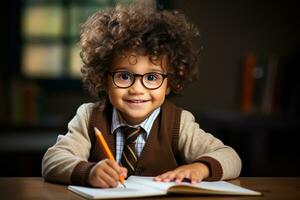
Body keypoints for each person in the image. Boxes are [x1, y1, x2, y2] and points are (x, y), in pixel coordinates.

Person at [42, 3, 241, 188]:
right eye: (124, 76)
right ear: (104, 78)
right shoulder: (88, 117)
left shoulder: (179, 124)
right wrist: (89, 172)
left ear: (169, 83)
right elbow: (52, 160)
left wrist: (201, 168)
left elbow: (231, 157)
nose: (137, 89)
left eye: (152, 77)